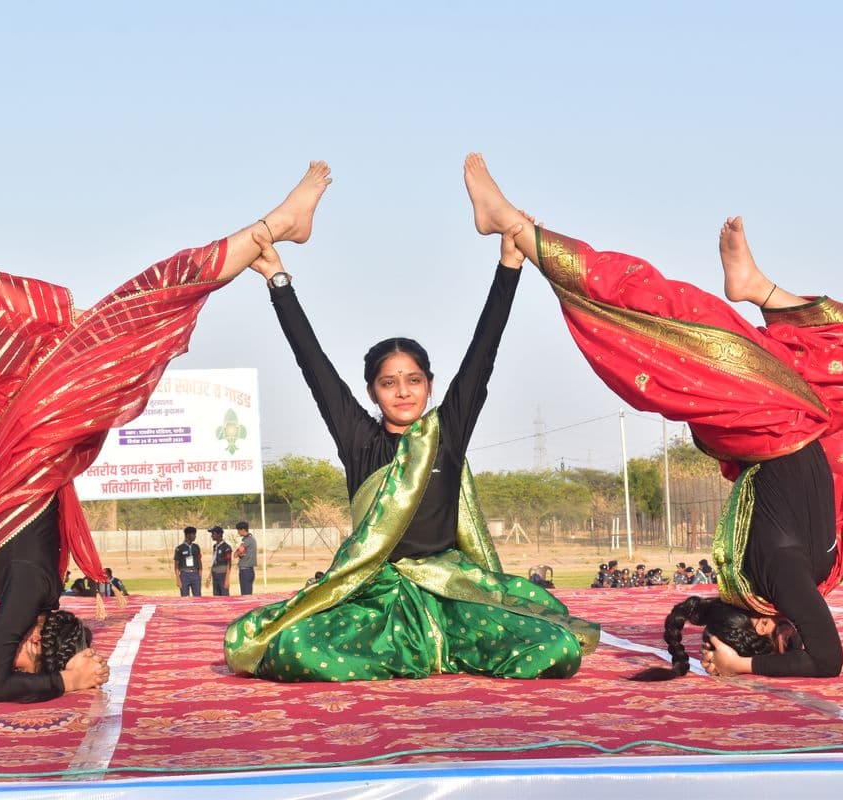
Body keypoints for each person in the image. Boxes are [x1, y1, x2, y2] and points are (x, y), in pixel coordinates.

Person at [460, 153, 843, 680]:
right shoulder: (790, 583)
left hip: (769, 423)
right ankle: (755, 289)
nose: (804, 631)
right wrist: (738, 657)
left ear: (762, 628)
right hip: (793, 419)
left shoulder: (780, 579)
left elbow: (826, 661)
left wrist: (741, 666)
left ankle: (517, 230)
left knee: (670, 312)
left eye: (789, 639)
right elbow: (819, 655)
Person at [0, 161, 333, 702]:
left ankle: (275, 225)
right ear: (36, 636)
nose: (10, 654)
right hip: (35, 442)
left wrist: (59, 680)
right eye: (25, 655)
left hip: (32, 441)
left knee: (129, 312)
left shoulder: (33, 587)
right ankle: (271, 228)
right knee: (141, 310)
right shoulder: (34, 588)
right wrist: (67, 674)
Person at [224, 170, 598, 682]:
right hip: (376, 595)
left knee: (556, 648)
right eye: (389, 383)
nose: (403, 391)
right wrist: (278, 281)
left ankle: (439, 651)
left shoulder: (446, 432)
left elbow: (482, 354)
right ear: (373, 392)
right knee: (294, 648)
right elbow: (313, 365)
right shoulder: (360, 441)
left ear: (428, 384)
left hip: (452, 590)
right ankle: (416, 653)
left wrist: (509, 266)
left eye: (414, 380)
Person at [174, 527, 204, 597]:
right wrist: (178, 579)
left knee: (197, 597)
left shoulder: (196, 547)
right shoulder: (179, 548)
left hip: (195, 574)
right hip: (184, 575)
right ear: (187, 535)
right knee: (185, 597)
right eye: (193, 534)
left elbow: (199, 561)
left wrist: (200, 574)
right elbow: (176, 565)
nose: (195, 536)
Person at [234, 521, 257, 595]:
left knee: (245, 595)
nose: (238, 532)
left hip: (245, 571)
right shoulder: (251, 539)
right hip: (250, 570)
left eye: (238, 530)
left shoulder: (247, 541)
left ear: (243, 530)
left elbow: (236, 554)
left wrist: (237, 552)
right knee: (248, 593)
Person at [208, 526, 233, 596]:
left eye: (213, 534)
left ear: (219, 534)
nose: (212, 535)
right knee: (216, 597)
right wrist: (209, 576)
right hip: (215, 575)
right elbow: (214, 561)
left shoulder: (226, 547)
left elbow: (229, 563)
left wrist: (227, 579)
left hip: (223, 575)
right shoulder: (215, 546)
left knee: (224, 596)